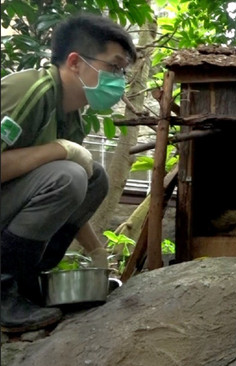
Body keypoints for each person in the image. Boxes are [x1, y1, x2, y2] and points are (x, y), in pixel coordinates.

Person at [0, 13, 136, 333]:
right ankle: (3, 290)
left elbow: (65, 194)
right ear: (75, 62)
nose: (119, 78)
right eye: (113, 66)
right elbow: (60, 178)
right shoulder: (30, 90)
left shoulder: (72, 117)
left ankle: (28, 284)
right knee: (71, 173)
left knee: (94, 177)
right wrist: (57, 150)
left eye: (122, 71)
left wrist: (96, 250)